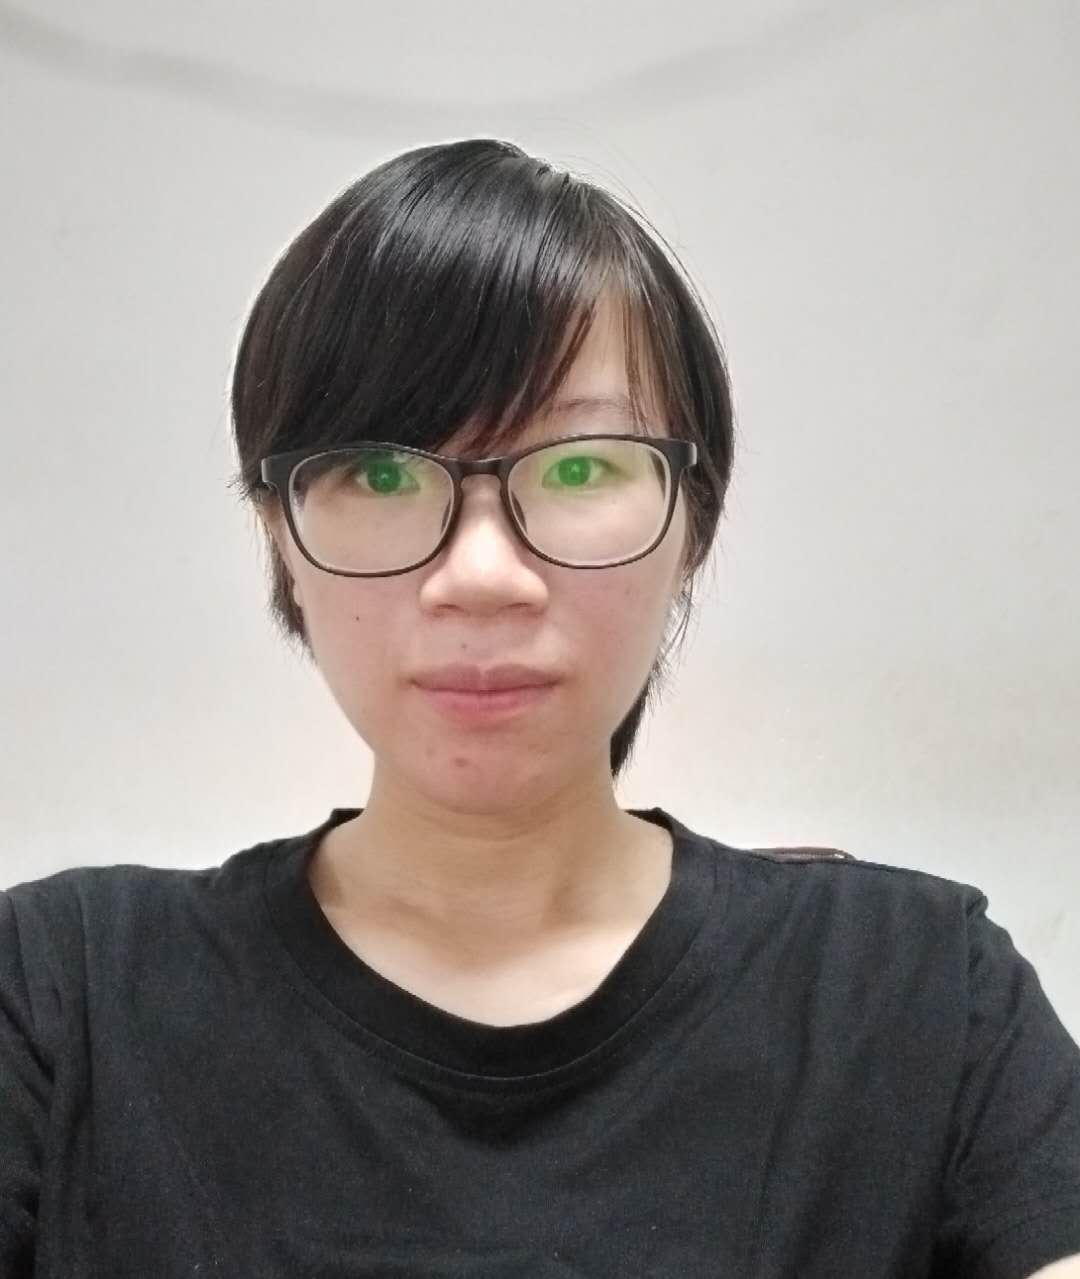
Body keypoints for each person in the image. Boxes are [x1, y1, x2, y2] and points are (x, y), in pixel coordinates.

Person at [2, 137, 1078, 1278]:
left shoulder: (914, 992)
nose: (481, 575)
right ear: (278, 532)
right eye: (381, 472)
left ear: (693, 524)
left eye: (576, 467)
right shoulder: (67, 998)